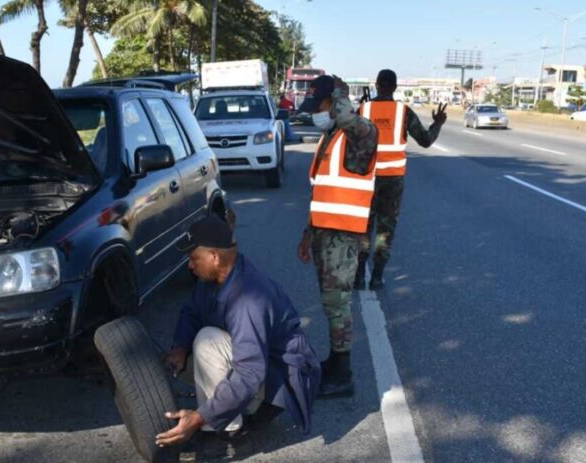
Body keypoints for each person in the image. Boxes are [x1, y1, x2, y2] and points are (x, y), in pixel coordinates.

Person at [156, 216, 320, 448]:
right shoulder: (212, 279)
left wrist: (201, 417)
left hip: (278, 378)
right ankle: (229, 409)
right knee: (186, 362)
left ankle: (225, 431)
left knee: (206, 342)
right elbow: (190, 311)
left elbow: (250, 372)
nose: (190, 265)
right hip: (256, 363)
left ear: (214, 257)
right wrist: (181, 348)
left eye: (193, 258)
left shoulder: (249, 301)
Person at [296, 75, 379, 398]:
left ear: (337, 101)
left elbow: (347, 118)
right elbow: (322, 192)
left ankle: (343, 375)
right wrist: (308, 234)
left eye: (321, 105)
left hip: (344, 235)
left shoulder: (364, 134)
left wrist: (341, 95)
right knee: (331, 304)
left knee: (338, 303)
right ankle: (335, 361)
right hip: (324, 232)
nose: (316, 113)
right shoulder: (330, 137)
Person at [355, 70, 447, 289]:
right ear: (395, 88)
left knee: (363, 228)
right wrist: (438, 123)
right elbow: (425, 141)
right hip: (392, 181)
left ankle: (358, 276)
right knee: (385, 230)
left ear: (377, 85)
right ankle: (376, 277)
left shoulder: (363, 110)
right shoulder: (403, 112)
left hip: (366, 178)